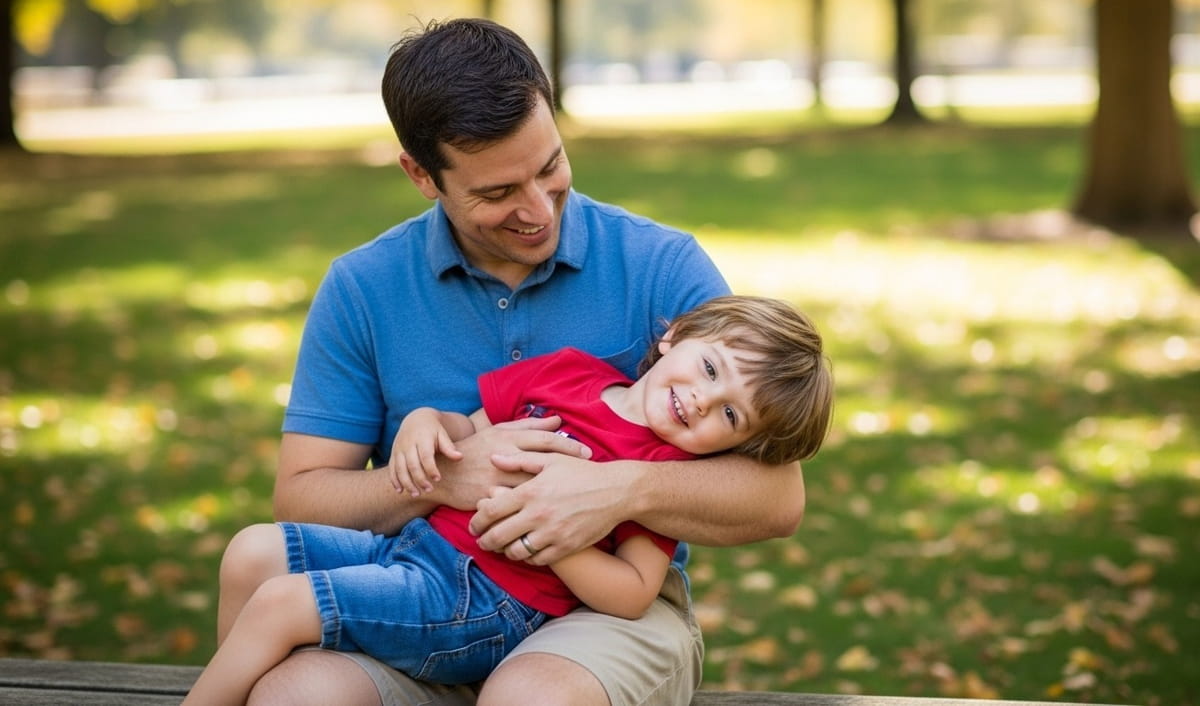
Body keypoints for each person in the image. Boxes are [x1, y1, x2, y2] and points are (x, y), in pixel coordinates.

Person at [253, 17, 808, 706]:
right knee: (297, 695)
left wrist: (619, 491)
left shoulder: (661, 266)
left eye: (550, 168)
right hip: (429, 582)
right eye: (496, 193)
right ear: (421, 175)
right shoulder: (362, 288)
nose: (537, 210)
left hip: (601, 615)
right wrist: (441, 483)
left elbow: (780, 498)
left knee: (528, 697)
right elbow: (302, 495)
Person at [183, 296, 833, 705]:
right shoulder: (569, 373)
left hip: (485, 602)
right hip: (416, 549)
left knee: (282, 602)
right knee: (253, 553)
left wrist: (567, 538)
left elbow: (635, 589)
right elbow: (465, 427)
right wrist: (422, 424)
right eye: (712, 370)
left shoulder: (661, 467)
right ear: (676, 334)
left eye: (729, 415)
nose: (701, 400)